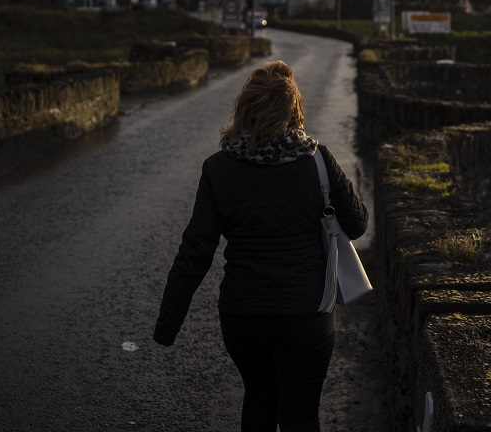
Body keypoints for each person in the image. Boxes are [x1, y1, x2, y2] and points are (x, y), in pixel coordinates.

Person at [153, 60, 368, 432]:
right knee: (301, 415)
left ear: (245, 109)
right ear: (293, 109)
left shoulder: (218, 168)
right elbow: (358, 224)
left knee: (259, 400)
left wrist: (167, 324)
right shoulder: (317, 160)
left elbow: (195, 251)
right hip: (307, 314)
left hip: (243, 316)